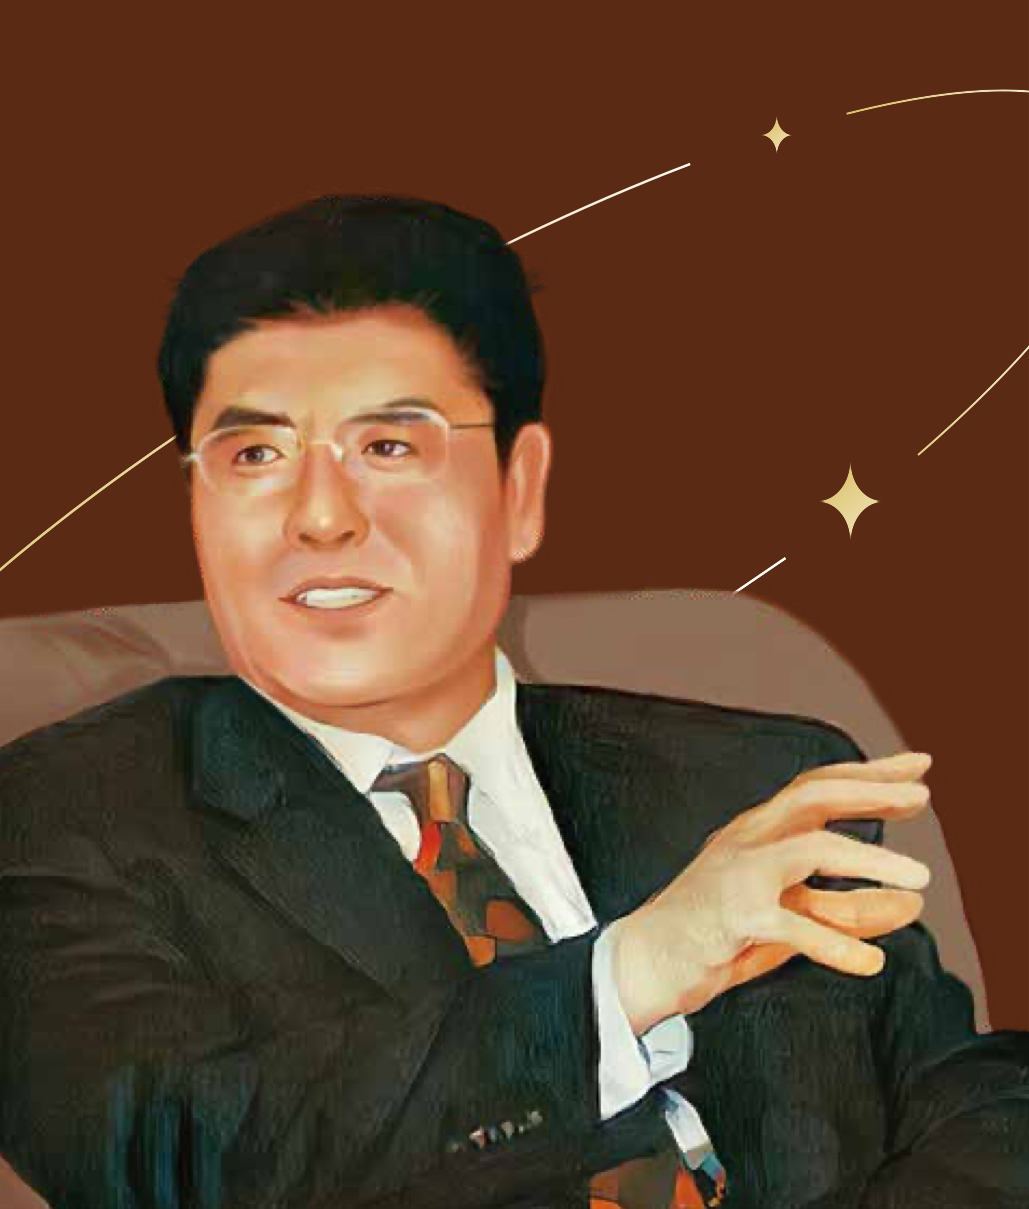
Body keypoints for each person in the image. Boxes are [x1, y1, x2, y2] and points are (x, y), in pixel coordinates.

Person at [0, 195, 1025, 1209]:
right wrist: (629, 974)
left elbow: (967, 1100)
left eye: (389, 447)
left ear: (519, 489)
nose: (319, 516)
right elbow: (181, 1159)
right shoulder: (66, 817)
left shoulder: (753, 779)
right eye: (253, 455)